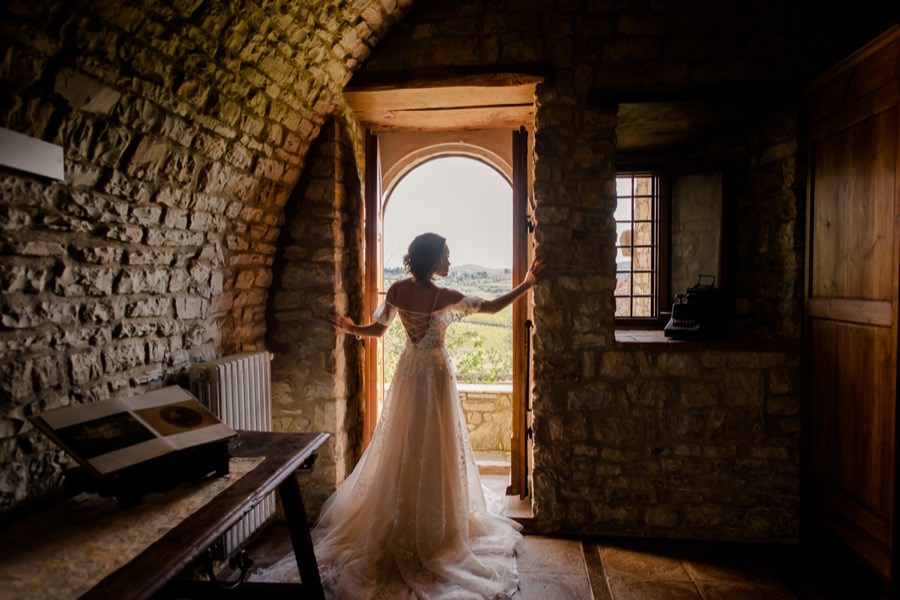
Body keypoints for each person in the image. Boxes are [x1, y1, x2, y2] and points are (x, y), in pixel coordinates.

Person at [264, 232, 546, 599]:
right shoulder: (444, 296)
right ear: (432, 260)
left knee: (406, 442)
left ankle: (407, 512)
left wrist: (350, 328)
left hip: (409, 376)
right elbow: (491, 307)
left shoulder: (396, 290)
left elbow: (378, 330)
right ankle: (435, 525)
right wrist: (526, 285)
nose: (450, 259)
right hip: (435, 376)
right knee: (436, 445)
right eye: (446, 254)